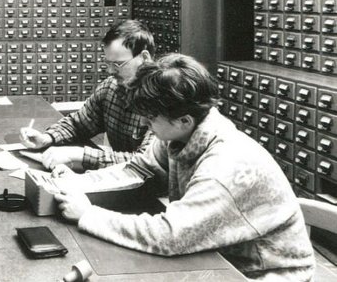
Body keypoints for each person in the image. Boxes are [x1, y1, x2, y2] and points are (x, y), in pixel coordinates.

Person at [53, 54, 314, 281]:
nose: (144, 122)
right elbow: (137, 169)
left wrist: (89, 215)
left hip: (257, 274)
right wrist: (74, 184)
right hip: (214, 255)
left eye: (151, 117)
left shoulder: (224, 166)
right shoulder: (182, 134)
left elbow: (171, 235)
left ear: (184, 120)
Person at [20, 19, 155, 170]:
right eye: (108, 63)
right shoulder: (111, 87)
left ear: (144, 58)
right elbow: (78, 124)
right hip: (121, 179)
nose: (110, 71)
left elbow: (146, 162)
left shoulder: (163, 99)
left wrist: (81, 155)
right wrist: (47, 138)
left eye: (117, 64)